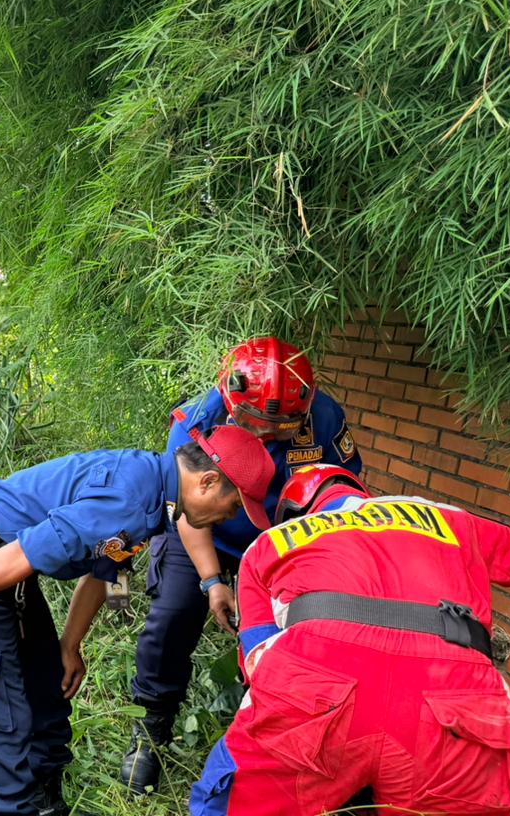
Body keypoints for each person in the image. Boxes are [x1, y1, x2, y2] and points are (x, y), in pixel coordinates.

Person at [0, 425, 274, 816]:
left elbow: (100, 572)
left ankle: (45, 803)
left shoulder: (156, 495)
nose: (229, 518)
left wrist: (70, 646)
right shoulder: (131, 500)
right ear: (207, 481)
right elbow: (25, 553)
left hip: (6, 569)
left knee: (45, 686)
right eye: (235, 505)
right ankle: (8, 809)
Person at [191, 463, 510, 815]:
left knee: (227, 802)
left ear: (294, 511)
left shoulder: (269, 543)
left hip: (318, 690)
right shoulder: (450, 518)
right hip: (457, 701)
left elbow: (257, 658)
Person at [122, 336, 362, 792]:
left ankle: (271, 732)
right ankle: (151, 727)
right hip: (205, 529)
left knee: (294, 631)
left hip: (283, 542)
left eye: (283, 425)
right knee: (173, 616)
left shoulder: (325, 419)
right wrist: (213, 580)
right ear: (231, 402)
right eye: (254, 422)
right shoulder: (194, 422)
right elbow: (187, 512)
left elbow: (344, 489)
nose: (268, 435)